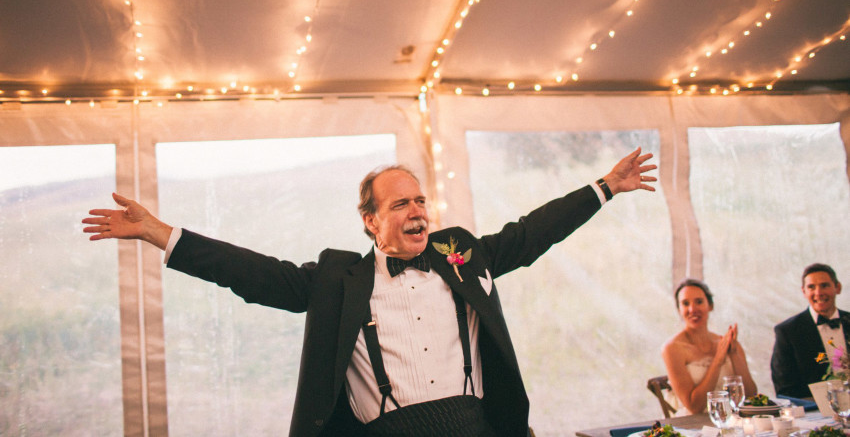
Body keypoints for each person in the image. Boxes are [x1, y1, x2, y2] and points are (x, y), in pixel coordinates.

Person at [83, 148, 657, 437]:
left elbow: (533, 233)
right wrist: (160, 233)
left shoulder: (462, 256)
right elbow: (254, 274)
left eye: (421, 201)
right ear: (369, 221)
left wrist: (604, 187)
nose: (418, 211)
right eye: (400, 204)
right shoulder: (340, 279)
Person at [661, 278, 757, 414]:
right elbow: (694, 407)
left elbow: (751, 396)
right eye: (685, 303)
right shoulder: (672, 348)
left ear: (710, 306)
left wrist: (733, 354)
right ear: (679, 309)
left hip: (733, 421)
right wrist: (717, 360)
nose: (692, 309)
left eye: (699, 302)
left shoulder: (726, 342)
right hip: (692, 427)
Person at [770, 263, 848, 399]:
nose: (818, 293)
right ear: (804, 291)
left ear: (838, 287)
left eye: (824, 285)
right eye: (811, 287)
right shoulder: (788, 331)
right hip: (814, 414)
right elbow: (784, 389)